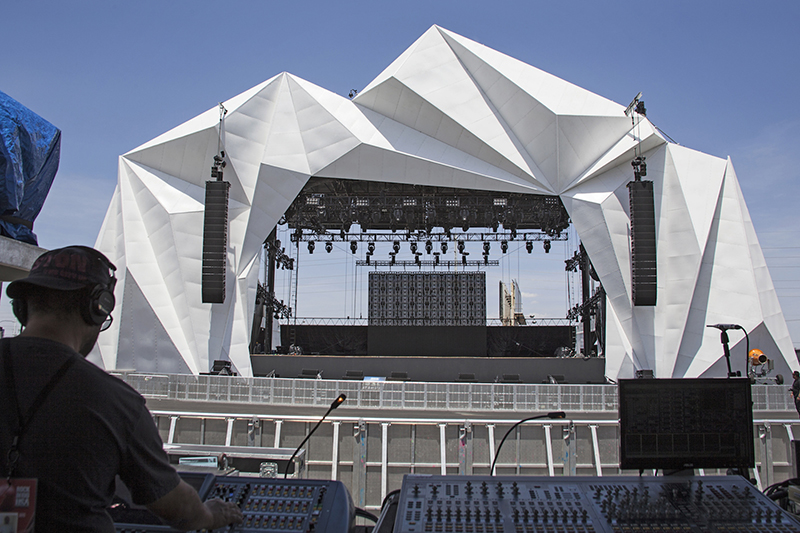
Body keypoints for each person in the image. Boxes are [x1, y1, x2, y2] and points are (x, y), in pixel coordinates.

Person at [0, 246, 242, 532]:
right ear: (97, 308)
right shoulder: (116, 402)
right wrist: (211, 514)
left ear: (21, 308)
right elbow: (177, 508)